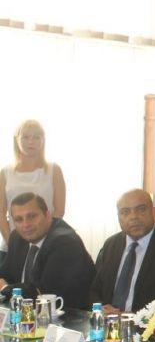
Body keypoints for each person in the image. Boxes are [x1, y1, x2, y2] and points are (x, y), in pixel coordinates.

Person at [0, 192, 94, 309]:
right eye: (19, 219)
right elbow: (4, 275)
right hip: (26, 312)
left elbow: (44, 292)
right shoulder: (17, 238)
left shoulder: (65, 242)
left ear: (48, 215)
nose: (26, 224)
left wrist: (5, 288)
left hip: (66, 315)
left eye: (32, 216)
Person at [0, 120, 66, 264]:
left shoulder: (54, 170)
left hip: (46, 246)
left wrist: (43, 242)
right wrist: (13, 243)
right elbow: (1, 213)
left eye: (36, 137)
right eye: (26, 137)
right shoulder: (5, 172)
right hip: (12, 246)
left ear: (43, 140)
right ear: (16, 140)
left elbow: (59, 211)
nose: (31, 142)